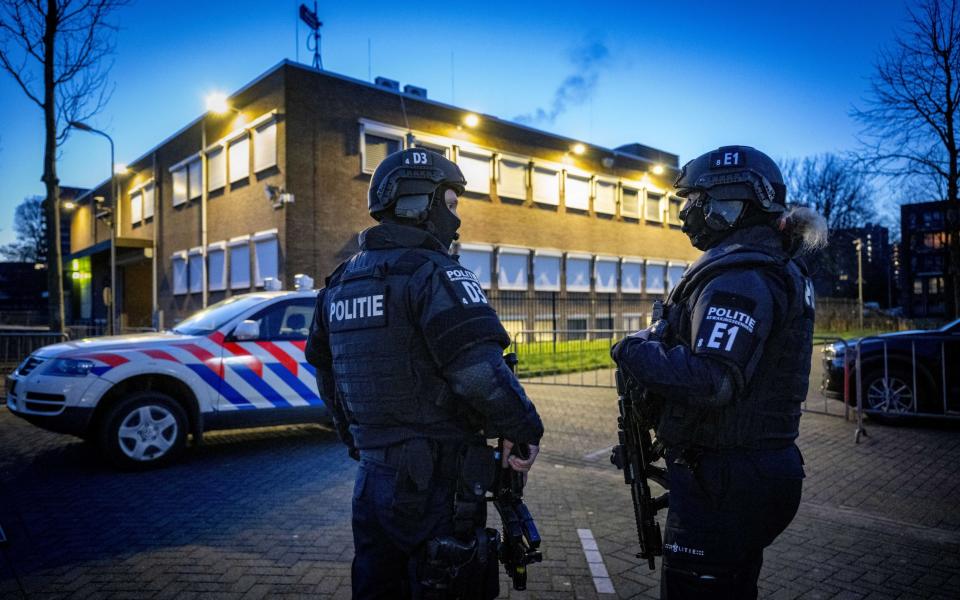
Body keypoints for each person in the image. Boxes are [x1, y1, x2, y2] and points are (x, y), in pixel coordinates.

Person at [305, 147, 544, 600]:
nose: (455, 220)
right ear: (421, 204)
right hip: (435, 481)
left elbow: (325, 370)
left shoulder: (339, 283)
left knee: (378, 588)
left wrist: (356, 437)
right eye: (450, 205)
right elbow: (478, 373)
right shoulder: (436, 274)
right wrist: (525, 428)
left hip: (371, 481)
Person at [611, 145, 827, 599]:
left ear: (729, 203)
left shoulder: (740, 278)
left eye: (694, 201)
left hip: (727, 480)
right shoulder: (768, 265)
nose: (686, 213)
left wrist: (632, 349)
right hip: (747, 472)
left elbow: (712, 380)